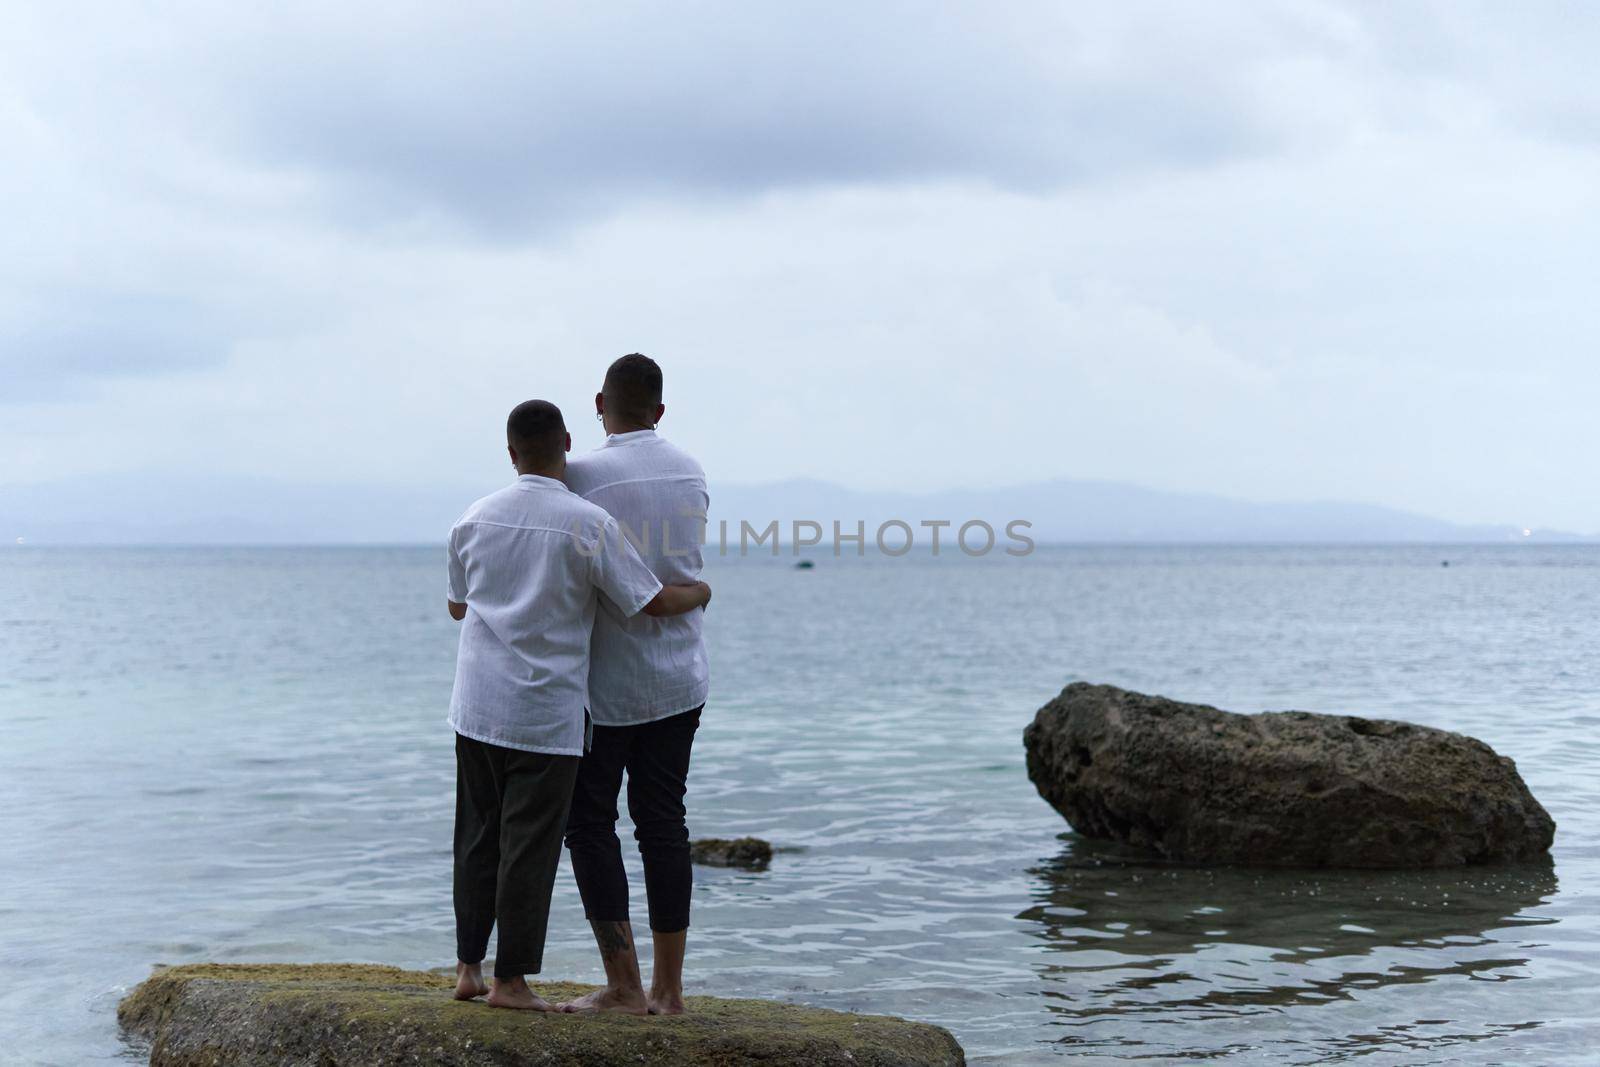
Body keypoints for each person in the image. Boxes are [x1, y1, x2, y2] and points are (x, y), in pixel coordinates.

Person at [446, 398, 711, 1011]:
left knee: (477, 836)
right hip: (544, 714)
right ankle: (512, 983)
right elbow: (645, 600)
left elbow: (459, 605)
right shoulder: (587, 522)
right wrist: (700, 590)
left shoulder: (473, 516)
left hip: (476, 705)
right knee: (530, 847)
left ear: (509, 452)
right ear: (567, 443)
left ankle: (468, 970)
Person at [559, 354, 711, 1016]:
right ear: (660, 409)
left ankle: (623, 984)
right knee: (664, 823)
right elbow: (677, 574)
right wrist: (697, 592)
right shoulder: (691, 470)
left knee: (589, 822)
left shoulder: (581, 476)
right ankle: (669, 990)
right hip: (680, 676)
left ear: (599, 403)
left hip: (605, 684)